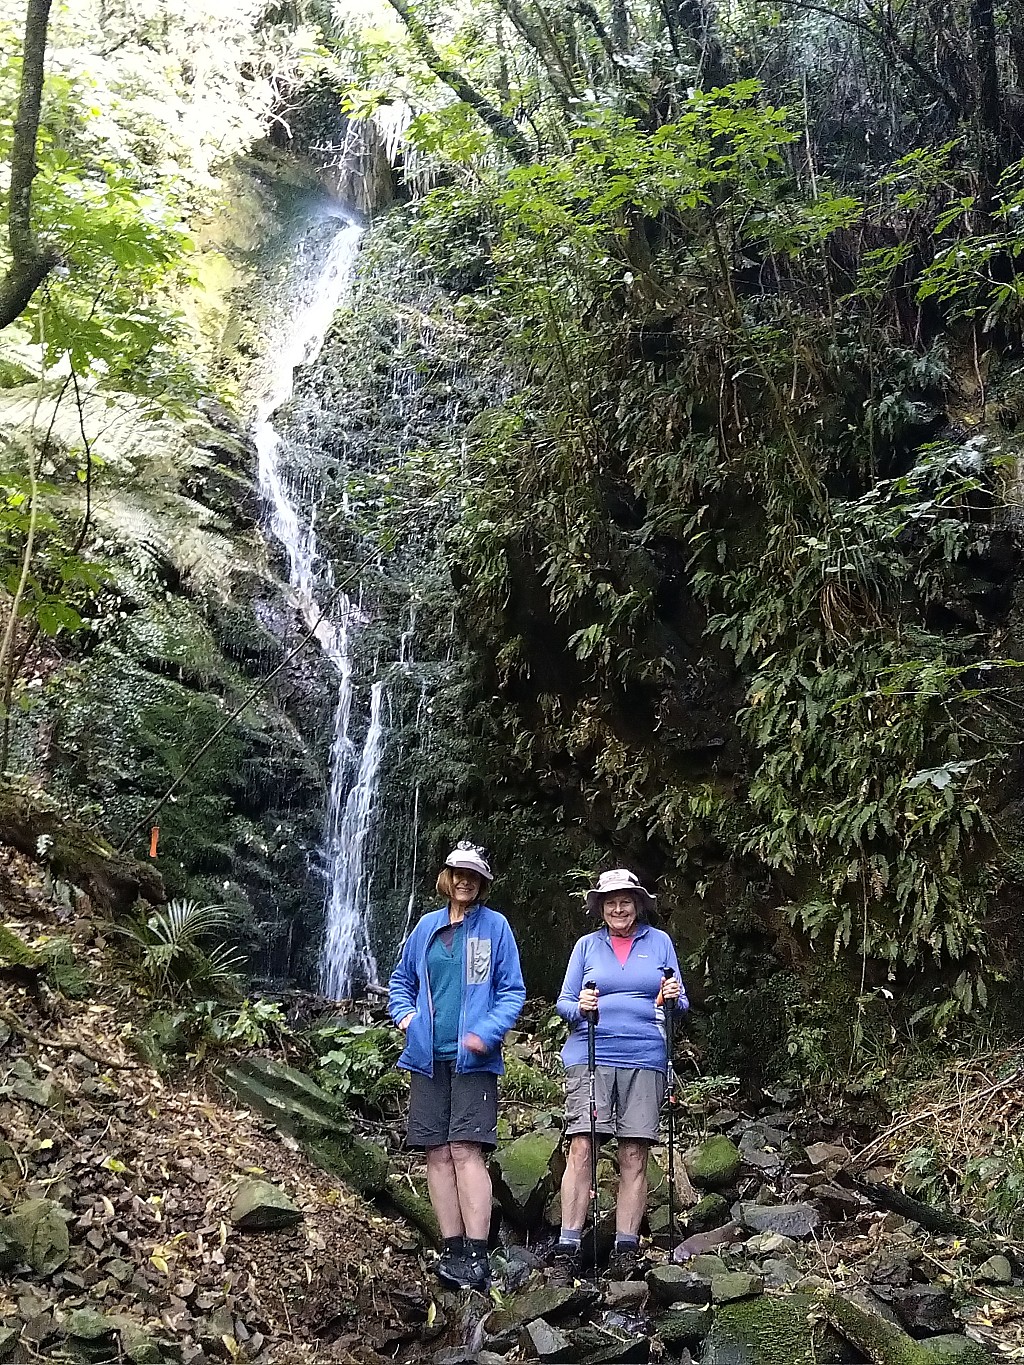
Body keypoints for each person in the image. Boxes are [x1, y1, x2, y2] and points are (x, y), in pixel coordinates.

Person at [388, 841, 526, 1291]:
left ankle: (477, 1252)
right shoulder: (426, 927)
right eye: (457, 873)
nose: (464, 880)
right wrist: (408, 1020)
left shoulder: (496, 927)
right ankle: (451, 1247)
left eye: (473, 875)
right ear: (447, 878)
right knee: (436, 1151)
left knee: (466, 1150)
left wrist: (486, 1034)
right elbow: (400, 982)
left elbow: (511, 991)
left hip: (474, 1059)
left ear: (482, 882)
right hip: (427, 1057)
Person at [552, 868, 687, 1280]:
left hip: (646, 1055)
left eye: (625, 900)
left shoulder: (659, 943)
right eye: (610, 902)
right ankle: (568, 1244)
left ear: (638, 904)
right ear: (601, 908)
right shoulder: (585, 946)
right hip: (591, 1053)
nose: (618, 908)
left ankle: (625, 1247)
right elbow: (564, 1004)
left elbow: (679, 1006)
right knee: (582, 1147)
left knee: (634, 1152)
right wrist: (583, 1006)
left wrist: (673, 997)